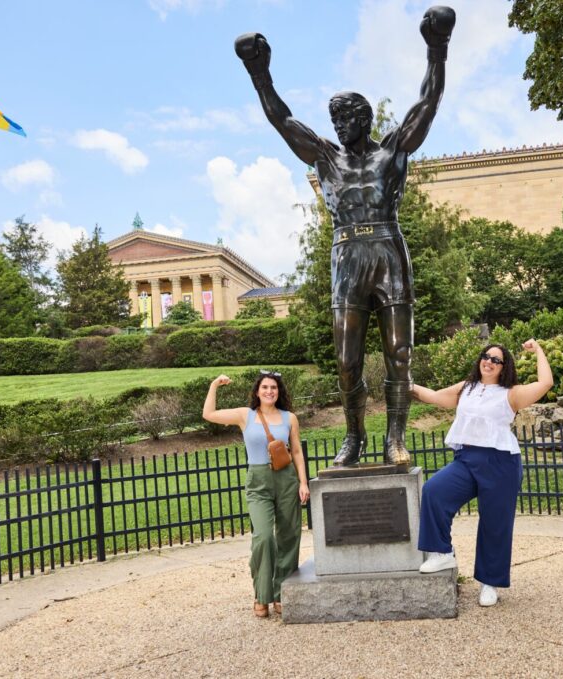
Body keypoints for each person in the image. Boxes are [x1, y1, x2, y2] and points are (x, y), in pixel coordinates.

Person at [234, 6, 456, 467]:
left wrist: (437, 48)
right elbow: (283, 120)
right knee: (346, 359)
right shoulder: (325, 158)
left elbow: (427, 104)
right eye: (333, 119)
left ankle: (396, 438)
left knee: (399, 352)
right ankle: (353, 438)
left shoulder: (393, 150)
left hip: (388, 250)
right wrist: (259, 73)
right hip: (346, 256)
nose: (337, 126)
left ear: (364, 118)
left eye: (345, 118)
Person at [411, 339, 554, 606]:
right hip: (466, 459)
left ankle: (490, 582)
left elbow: (545, 383)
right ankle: (442, 552)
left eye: (496, 359)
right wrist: (405, 383)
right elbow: (436, 396)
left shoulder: (511, 393)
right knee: (434, 491)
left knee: (494, 524)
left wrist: (539, 351)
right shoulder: (467, 387)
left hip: (500, 464)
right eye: (486, 356)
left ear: (504, 367)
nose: (488, 361)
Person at [202, 371, 310, 618]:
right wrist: (214, 385)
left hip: (286, 480)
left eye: (273, 387)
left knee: (289, 535)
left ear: (279, 391)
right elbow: (208, 414)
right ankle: (262, 593)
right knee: (263, 537)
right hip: (258, 482)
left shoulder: (289, 418)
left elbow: (296, 451)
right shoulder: (245, 415)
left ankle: (281, 592)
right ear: (257, 391)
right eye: (265, 387)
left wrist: (303, 482)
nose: (269, 391)